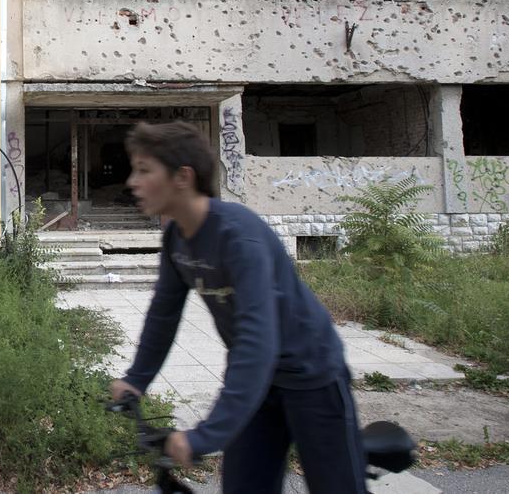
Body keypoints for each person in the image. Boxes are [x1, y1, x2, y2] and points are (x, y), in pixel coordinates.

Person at [109, 121, 365, 494]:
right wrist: (136, 379)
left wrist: (205, 435)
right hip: (258, 387)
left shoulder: (237, 236)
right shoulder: (176, 236)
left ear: (183, 177)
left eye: (144, 170)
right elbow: (163, 315)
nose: (132, 181)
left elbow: (256, 340)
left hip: (312, 376)